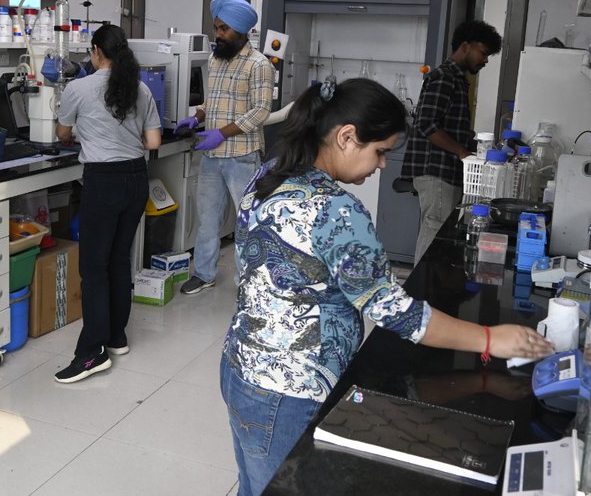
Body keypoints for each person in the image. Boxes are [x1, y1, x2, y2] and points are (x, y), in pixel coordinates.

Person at [220, 78, 552, 496]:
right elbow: (397, 313)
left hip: (242, 369)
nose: (381, 165)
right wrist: (490, 338)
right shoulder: (336, 212)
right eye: (380, 152)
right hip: (289, 392)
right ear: (346, 136)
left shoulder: (271, 172)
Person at [53, 24, 162, 383]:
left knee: (94, 268)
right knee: (119, 259)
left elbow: (63, 133)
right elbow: (152, 142)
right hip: (135, 179)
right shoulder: (140, 88)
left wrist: (87, 131)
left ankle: (91, 353)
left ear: (97, 50)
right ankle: (117, 336)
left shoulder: (77, 87)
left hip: (103, 181)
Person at [175, 0, 274, 295]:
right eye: (216, 28)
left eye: (224, 29)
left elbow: (261, 110)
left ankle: (248, 284)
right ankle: (204, 274)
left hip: (242, 157)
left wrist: (224, 133)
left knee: (247, 222)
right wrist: (198, 117)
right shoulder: (215, 59)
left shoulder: (260, 65)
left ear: (242, 32)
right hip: (211, 155)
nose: (218, 34)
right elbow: (212, 99)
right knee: (207, 218)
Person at [402, 19, 503, 264]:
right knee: (435, 230)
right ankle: (419, 294)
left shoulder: (457, 79)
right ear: (466, 46)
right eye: (483, 52)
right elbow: (426, 123)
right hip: (436, 171)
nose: (485, 59)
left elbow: (451, 127)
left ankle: (426, 289)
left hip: (445, 171)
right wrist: (461, 152)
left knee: (439, 231)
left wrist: (475, 144)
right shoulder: (444, 77)